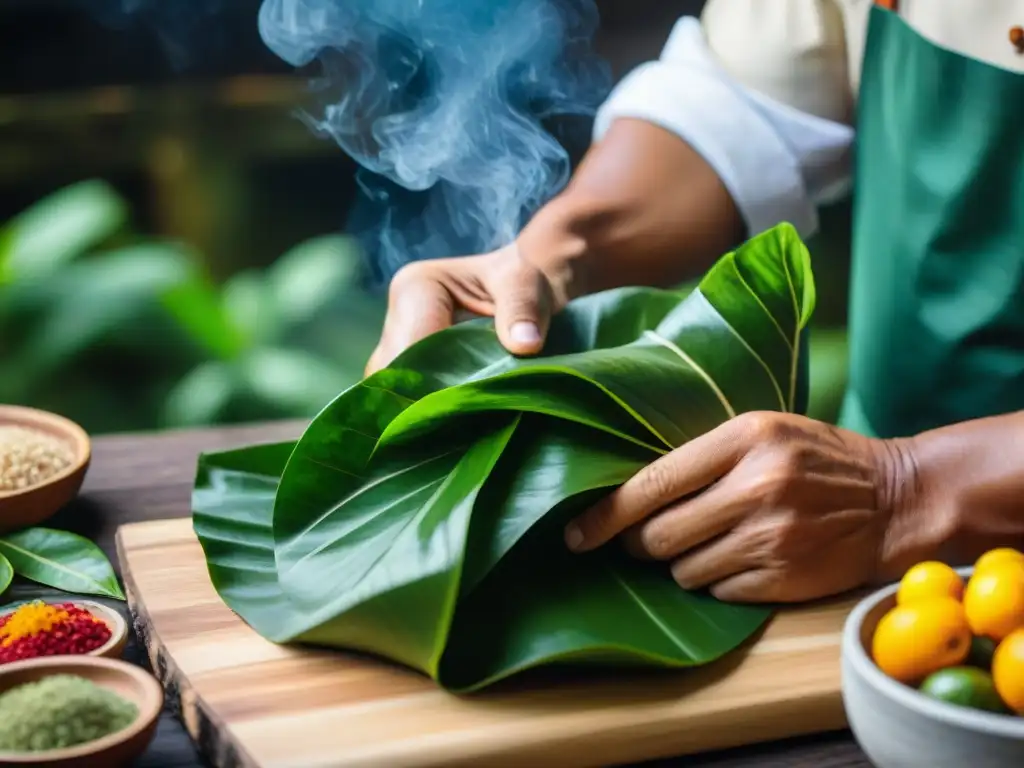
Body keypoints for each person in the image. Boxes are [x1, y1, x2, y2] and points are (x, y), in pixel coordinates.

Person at [364, 0, 1024, 604]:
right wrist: (550, 259)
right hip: (863, 572)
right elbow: (738, 106)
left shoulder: (890, 494)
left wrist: (908, 491)